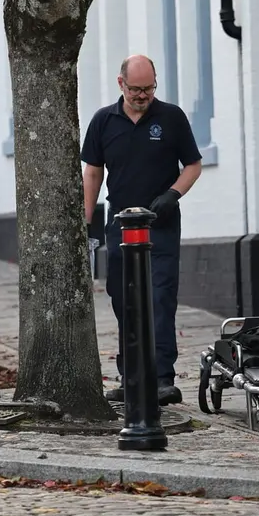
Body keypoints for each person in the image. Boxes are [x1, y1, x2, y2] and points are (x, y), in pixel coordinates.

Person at [82, 55, 202, 406]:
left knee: (159, 297)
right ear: (121, 84)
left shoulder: (171, 118)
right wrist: (87, 220)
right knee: (124, 300)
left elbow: (193, 165)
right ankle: (131, 375)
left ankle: (162, 377)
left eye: (148, 89)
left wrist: (172, 194)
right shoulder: (104, 121)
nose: (142, 96)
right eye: (135, 89)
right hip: (120, 226)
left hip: (160, 225)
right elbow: (93, 172)